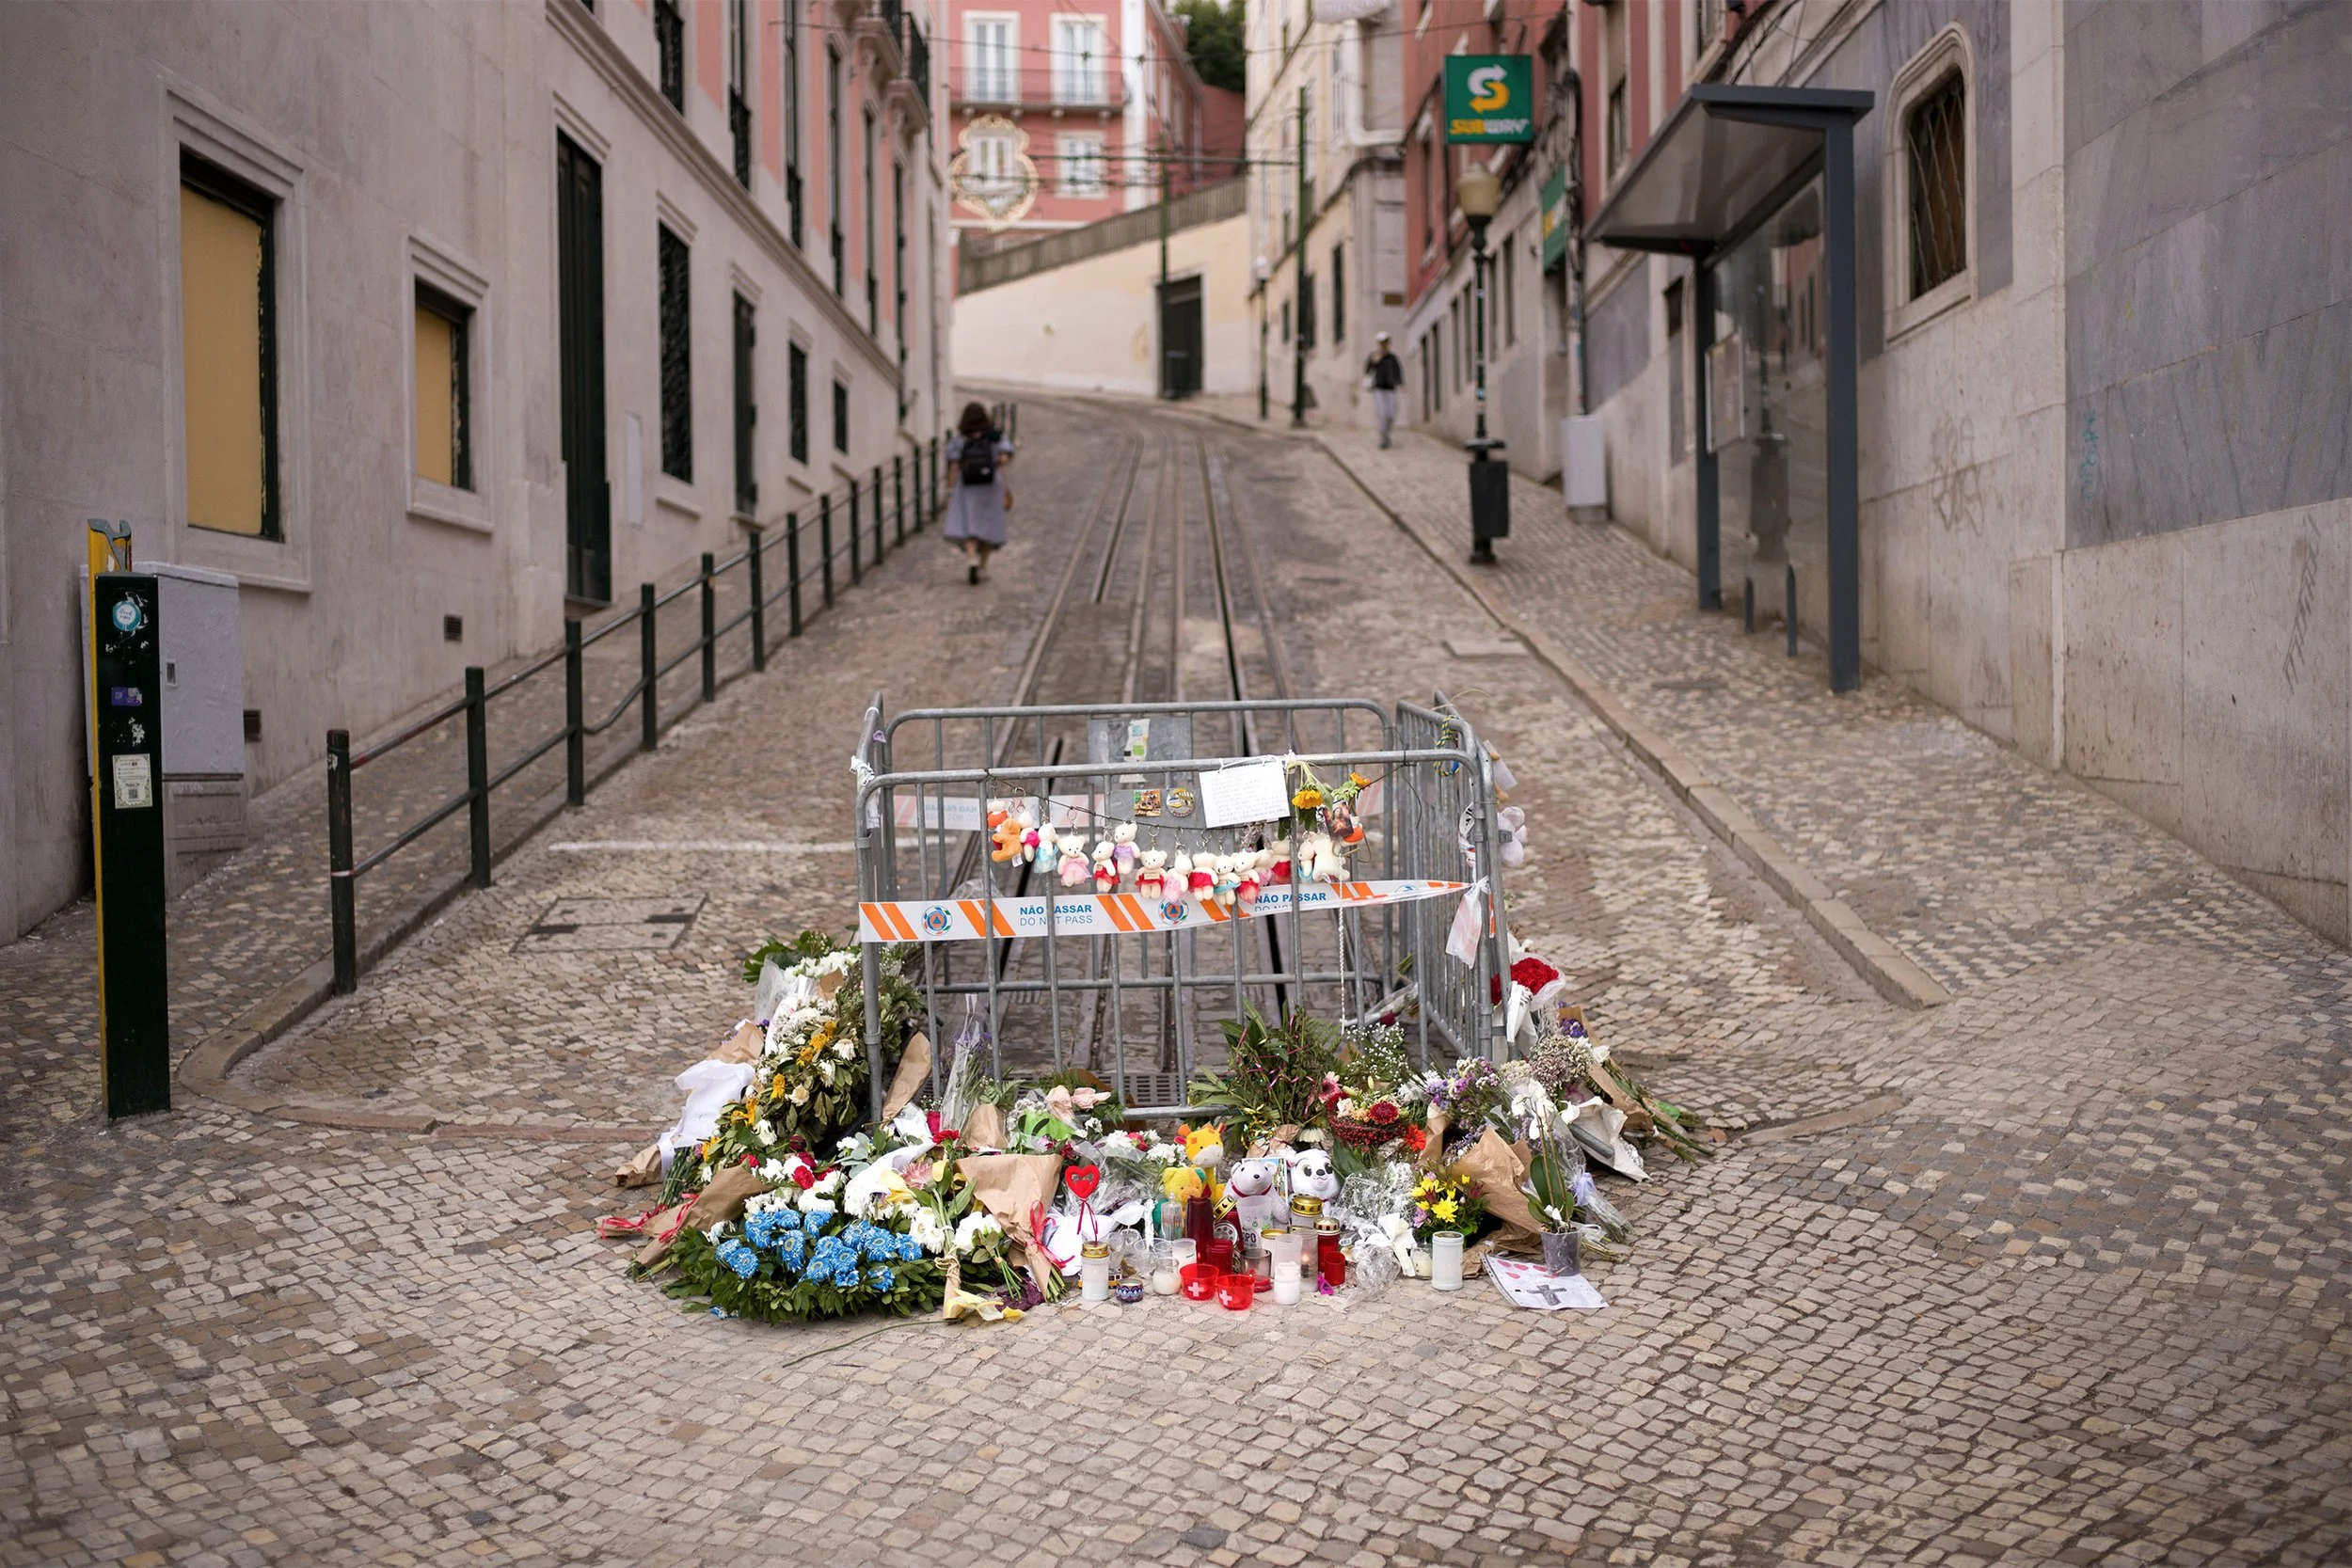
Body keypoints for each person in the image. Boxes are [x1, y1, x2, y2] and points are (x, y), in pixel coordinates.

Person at [943, 401, 1012, 583]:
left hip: (966, 485)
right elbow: (1003, 460)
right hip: (991, 485)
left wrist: (949, 489)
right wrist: (1004, 487)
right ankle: (982, 567)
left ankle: (972, 557)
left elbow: (954, 466)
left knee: (967, 522)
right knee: (990, 524)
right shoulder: (996, 437)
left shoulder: (960, 440)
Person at [1365, 333, 1404, 448]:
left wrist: (1400, 382)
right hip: (1378, 389)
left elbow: (1398, 371)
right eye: (1382, 342)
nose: (1384, 345)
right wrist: (1374, 361)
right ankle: (1383, 439)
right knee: (1382, 414)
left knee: (1391, 414)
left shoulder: (1392, 358)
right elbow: (1367, 371)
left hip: (1391, 390)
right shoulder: (1374, 356)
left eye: (1386, 342)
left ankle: (1386, 434)